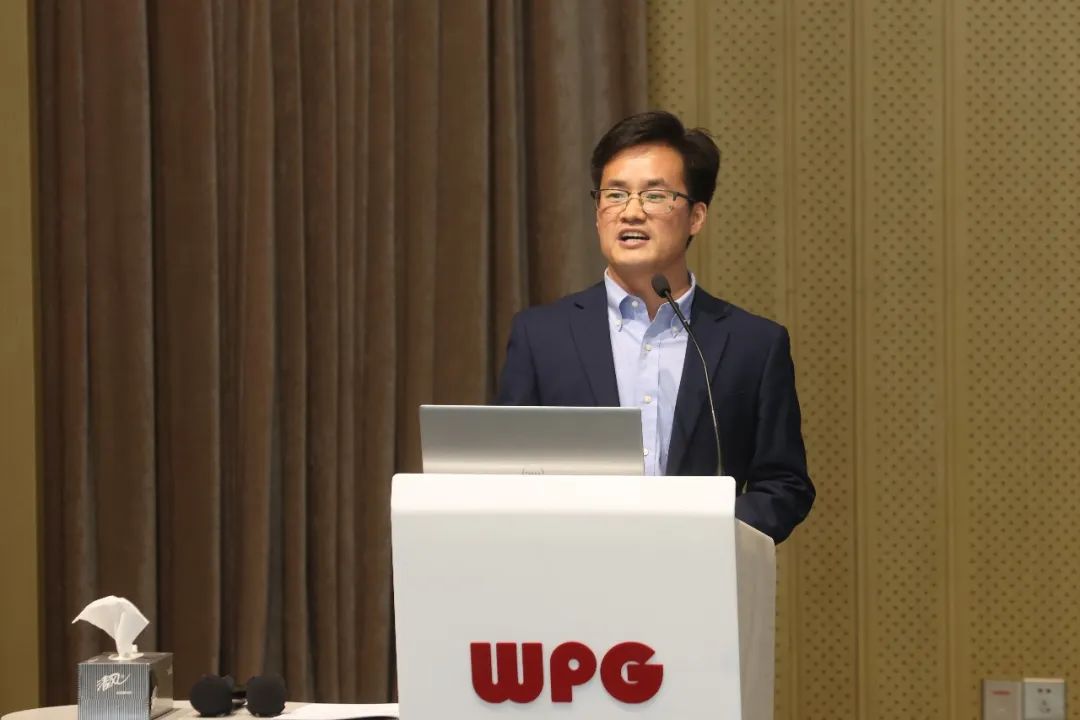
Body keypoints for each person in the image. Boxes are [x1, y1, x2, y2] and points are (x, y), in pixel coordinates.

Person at [495, 110, 814, 543]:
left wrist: (704, 532)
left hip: (701, 573)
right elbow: (508, 473)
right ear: (597, 213)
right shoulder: (541, 337)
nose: (631, 212)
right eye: (615, 194)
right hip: (575, 568)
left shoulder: (753, 345)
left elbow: (784, 485)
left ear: (696, 216)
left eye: (654, 195)